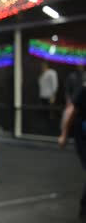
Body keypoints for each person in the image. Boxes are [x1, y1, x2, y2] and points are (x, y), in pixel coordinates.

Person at [59, 81, 86, 221]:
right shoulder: (83, 90)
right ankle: (83, 206)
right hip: (82, 136)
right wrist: (64, 134)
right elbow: (71, 112)